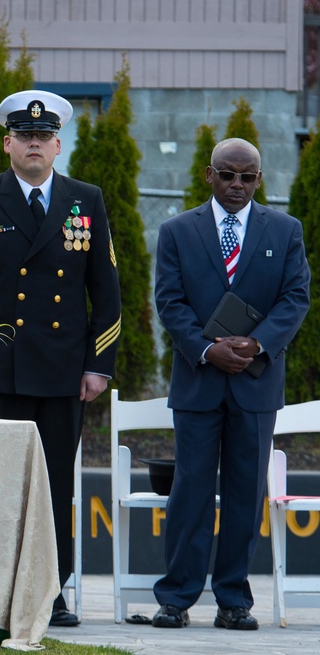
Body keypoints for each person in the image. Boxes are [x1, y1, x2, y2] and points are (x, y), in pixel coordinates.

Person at [0, 90, 121, 628]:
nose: (34, 144)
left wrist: (99, 365)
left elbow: (107, 288)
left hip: (62, 371)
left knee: (55, 484)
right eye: (24, 137)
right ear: (8, 144)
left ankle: (52, 590)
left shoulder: (85, 199)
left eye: (43, 137)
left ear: (57, 144)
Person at [151, 138, 310, 630]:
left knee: (245, 493)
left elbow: (295, 297)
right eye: (228, 175)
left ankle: (233, 600)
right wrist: (205, 348)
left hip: (256, 384)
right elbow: (170, 302)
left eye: (247, 176)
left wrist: (256, 344)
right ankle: (176, 598)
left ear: (259, 179)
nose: (237, 185)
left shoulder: (285, 231)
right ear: (209, 175)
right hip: (199, 381)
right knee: (191, 490)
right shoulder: (178, 231)